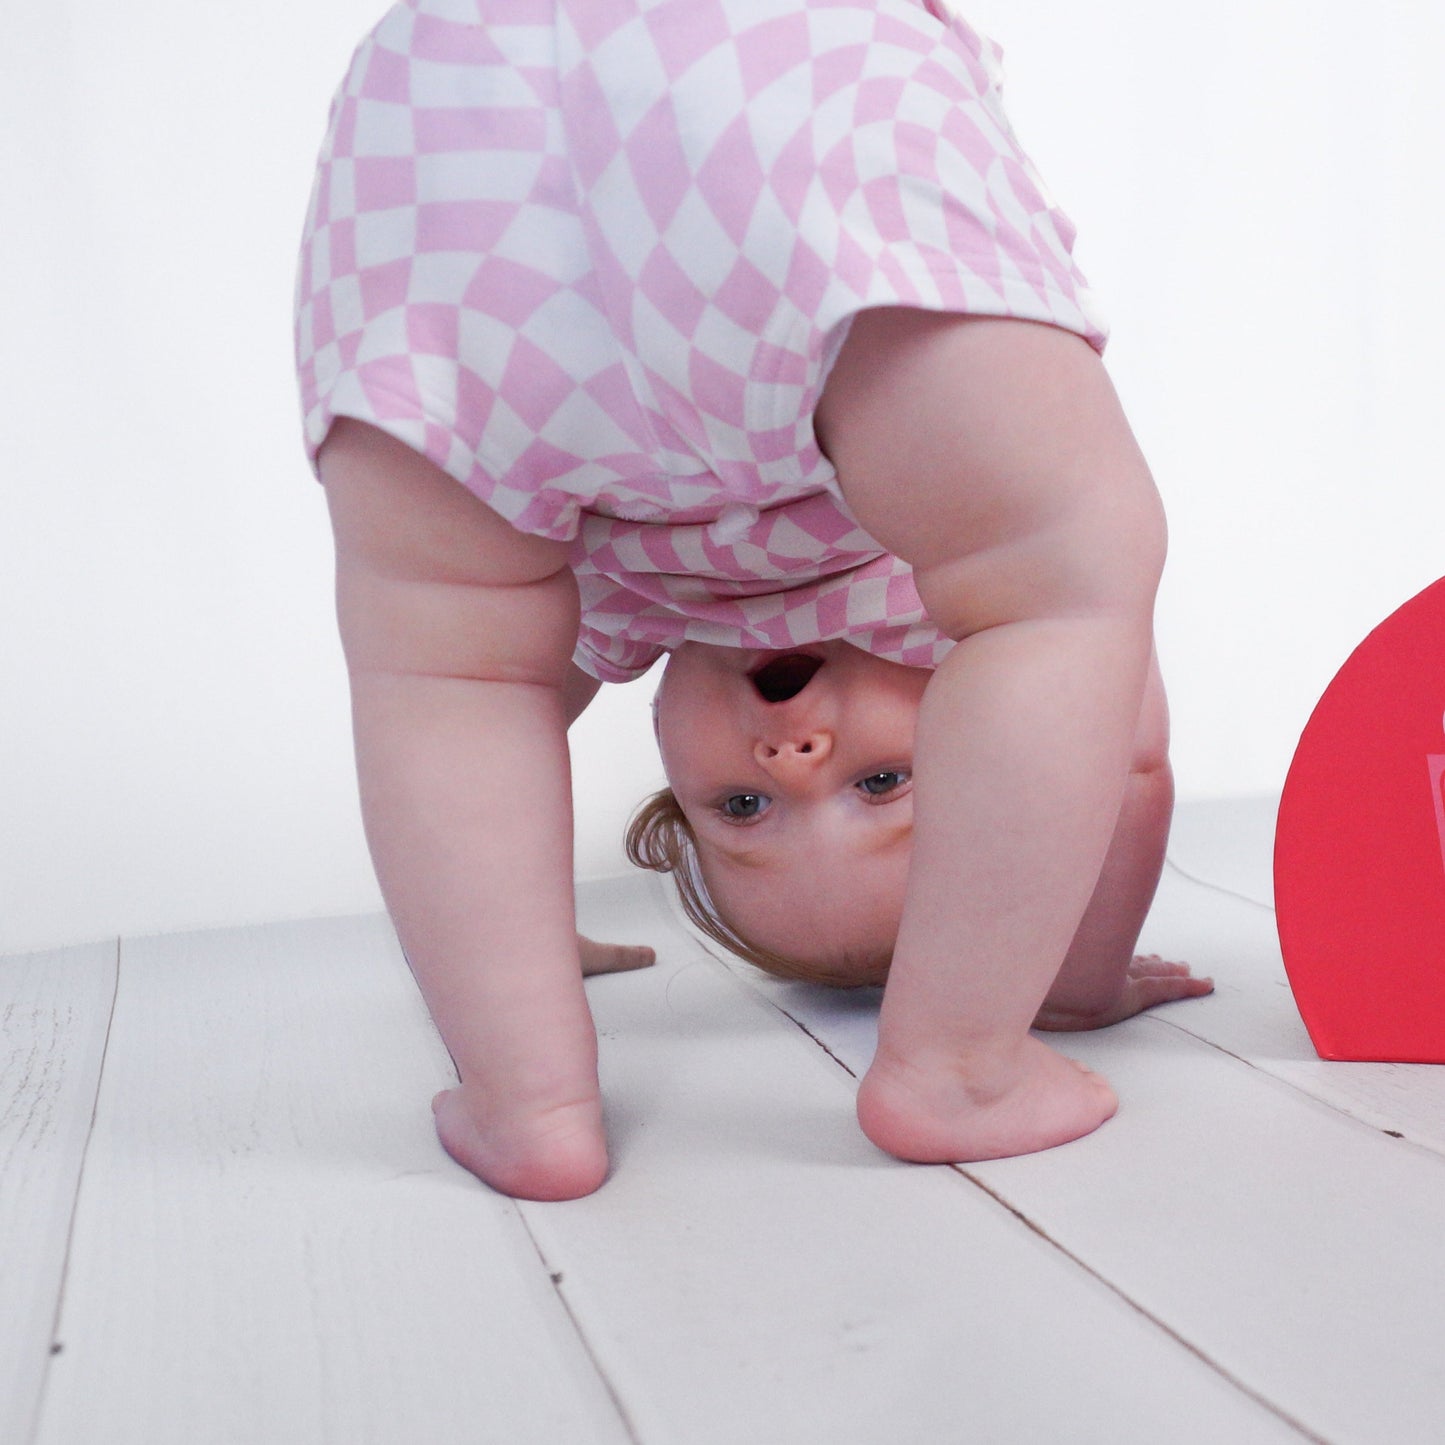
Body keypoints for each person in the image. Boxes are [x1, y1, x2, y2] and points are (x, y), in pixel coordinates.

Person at [296, 0, 1212, 1200]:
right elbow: (1124, 764)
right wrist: (1075, 981)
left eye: (740, 805)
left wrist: (509, 944)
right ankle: (961, 1056)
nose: (793, 754)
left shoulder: (621, 612)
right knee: (1064, 585)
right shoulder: (937, 600)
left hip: (461, 125)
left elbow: (469, 758)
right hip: (705, 102)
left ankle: (524, 1088)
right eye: (881, 782)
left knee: (450, 670)